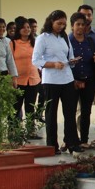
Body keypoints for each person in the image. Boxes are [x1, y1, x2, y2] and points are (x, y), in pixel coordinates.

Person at [32, 10, 80, 155]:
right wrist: (53, 64)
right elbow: (35, 60)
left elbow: (69, 56)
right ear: (51, 22)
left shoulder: (64, 37)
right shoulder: (43, 38)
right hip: (51, 80)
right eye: (59, 23)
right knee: (51, 114)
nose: (61, 26)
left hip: (67, 78)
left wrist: (72, 61)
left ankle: (72, 143)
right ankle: (52, 145)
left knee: (70, 112)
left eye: (64, 24)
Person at [68, 13, 95, 147]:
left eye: (83, 24)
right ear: (72, 26)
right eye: (77, 24)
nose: (80, 27)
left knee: (86, 111)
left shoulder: (90, 41)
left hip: (89, 80)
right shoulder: (67, 41)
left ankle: (84, 140)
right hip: (71, 81)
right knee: (70, 111)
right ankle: (70, 140)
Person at [77, 4, 95, 133]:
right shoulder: (71, 37)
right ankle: (81, 136)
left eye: (89, 15)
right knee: (81, 109)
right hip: (79, 78)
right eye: (83, 15)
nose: (86, 17)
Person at [11, 17, 41, 140]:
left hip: (33, 79)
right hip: (18, 80)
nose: (27, 29)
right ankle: (13, 132)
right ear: (18, 29)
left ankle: (30, 131)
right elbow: (9, 61)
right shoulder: (13, 43)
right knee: (15, 107)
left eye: (28, 27)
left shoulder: (35, 42)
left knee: (30, 107)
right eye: (23, 27)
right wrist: (11, 78)